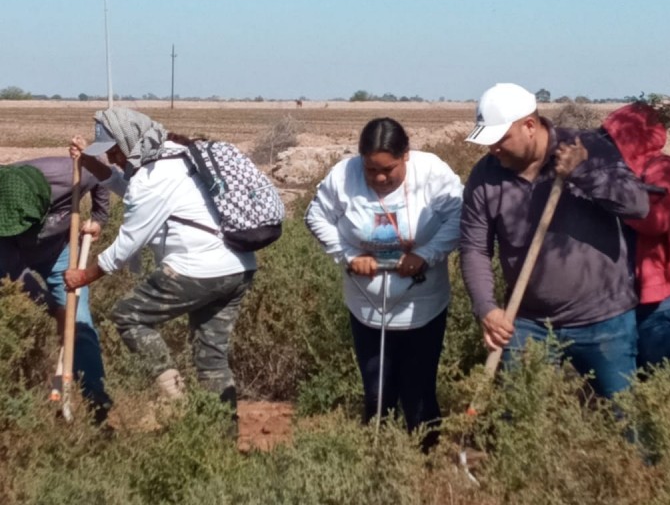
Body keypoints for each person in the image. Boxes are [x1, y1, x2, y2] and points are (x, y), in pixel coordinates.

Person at [64, 107, 257, 420]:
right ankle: (222, 444)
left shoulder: (152, 177)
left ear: (128, 143)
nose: (113, 160)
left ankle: (176, 401)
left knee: (128, 315)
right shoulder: (177, 156)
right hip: (238, 266)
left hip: (197, 269)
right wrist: (89, 162)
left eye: (113, 152)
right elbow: (126, 187)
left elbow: (125, 246)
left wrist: (82, 276)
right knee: (211, 358)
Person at [460, 83, 650, 399]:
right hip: (527, 323)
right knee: (520, 421)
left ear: (530, 126)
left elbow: (638, 206)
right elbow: (474, 248)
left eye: (500, 139)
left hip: (604, 319)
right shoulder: (485, 175)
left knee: (624, 418)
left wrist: (585, 173)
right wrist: (487, 309)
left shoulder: (587, 148)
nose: (493, 149)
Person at [305, 117, 462, 449]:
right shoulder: (342, 176)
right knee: (377, 391)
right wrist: (348, 255)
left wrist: (426, 254)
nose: (379, 178)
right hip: (367, 307)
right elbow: (316, 216)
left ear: (406, 154)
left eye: (388, 170)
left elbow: (460, 216)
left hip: (423, 307)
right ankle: (379, 460)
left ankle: (426, 464)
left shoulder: (432, 173)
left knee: (419, 392)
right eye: (370, 170)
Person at [0, 158, 113, 422]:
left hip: (58, 254)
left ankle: (96, 402)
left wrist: (99, 217)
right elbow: (14, 274)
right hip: (13, 260)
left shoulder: (68, 173)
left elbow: (102, 175)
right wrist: (54, 308)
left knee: (80, 323)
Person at [601, 102, 670, 369]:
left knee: (660, 377)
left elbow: (656, 222)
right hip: (623, 295)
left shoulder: (665, 170)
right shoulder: (620, 173)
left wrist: (613, 200)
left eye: (617, 136)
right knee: (627, 382)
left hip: (663, 294)